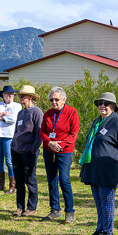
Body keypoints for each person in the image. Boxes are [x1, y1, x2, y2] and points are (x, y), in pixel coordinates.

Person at [79, 92, 118, 235]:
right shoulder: (97, 121)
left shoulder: (117, 123)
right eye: (100, 103)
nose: (102, 106)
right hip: (94, 169)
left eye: (106, 103)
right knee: (99, 202)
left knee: (107, 202)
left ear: (114, 107)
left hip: (108, 170)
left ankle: (108, 232)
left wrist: (117, 159)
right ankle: (100, 229)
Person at [40, 86, 80, 223]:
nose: (54, 102)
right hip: (49, 149)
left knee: (64, 180)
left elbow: (73, 134)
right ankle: (55, 210)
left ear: (63, 99)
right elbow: (42, 132)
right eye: (51, 100)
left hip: (65, 151)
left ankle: (69, 211)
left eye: (56, 99)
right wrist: (49, 142)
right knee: (51, 180)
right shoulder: (48, 113)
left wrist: (60, 144)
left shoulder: (72, 112)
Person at [10, 85, 43, 217]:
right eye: (20, 95)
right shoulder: (21, 113)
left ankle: (31, 207)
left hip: (29, 152)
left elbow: (39, 134)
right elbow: (17, 131)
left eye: (22, 96)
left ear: (30, 97)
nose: (20, 98)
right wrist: (13, 145)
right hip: (16, 150)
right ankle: (19, 207)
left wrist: (32, 151)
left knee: (30, 179)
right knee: (19, 180)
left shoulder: (37, 113)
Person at [0, 85, 21, 194]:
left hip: (8, 136)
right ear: (3, 95)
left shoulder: (17, 106)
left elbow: (13, 119)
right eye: (8, 94)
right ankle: (1, 184)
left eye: (12, 94)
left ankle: (12, 185)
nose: (11, 96)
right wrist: (1, 114)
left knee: (9, 161)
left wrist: (0, 117)